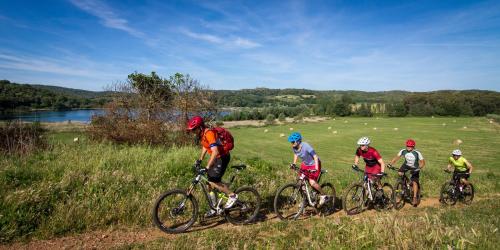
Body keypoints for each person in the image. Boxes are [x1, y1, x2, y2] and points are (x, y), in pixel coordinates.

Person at [186, 116, 237, 216]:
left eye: (194, 129)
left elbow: (215, 151)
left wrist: (208, 166)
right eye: (192, 130)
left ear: (200, 127)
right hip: (216, 158)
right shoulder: (202, 135)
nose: (192, 132)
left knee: (213, 181)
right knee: (208, 183)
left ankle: (232, 196)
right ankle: (214, 208)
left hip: (222, 157)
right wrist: (200, 159)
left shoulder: (209, 133)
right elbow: (206, 147)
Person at [288, 132, 328, 206]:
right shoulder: (294, 147)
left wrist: (316, 168)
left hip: (315, 164)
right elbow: (296, 154)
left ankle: (324, 195)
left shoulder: (306, 146)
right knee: (301, 181)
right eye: (291, 142)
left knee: (312, 182)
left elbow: (315, 157)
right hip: (305, 164)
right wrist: (294, 163)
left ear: (298, 141)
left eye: (293, 142)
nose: (292, 143)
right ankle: (306, 199)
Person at [388, 139, 425, 206]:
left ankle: (414, 197)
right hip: (406, 165)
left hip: (415, 167)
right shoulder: (403, 151)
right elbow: (396, 157)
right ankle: (403, 184)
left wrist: (418, 168)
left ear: (413, 147)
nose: (408, 147)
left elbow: (423, 162)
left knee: (414, 182)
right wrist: (390, 164)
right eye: (407, 146)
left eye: (410, 146)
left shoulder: (417, 152)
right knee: (399, 172)